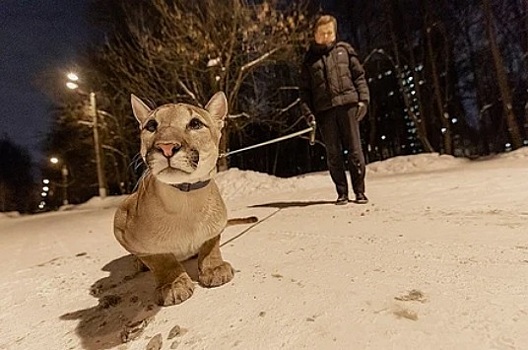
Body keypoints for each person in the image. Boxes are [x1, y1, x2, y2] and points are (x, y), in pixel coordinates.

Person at [300, 15, 370, 205]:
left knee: (355, 151)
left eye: (329, 32)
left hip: (348, 106)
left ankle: (359, 191)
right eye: (322, 33)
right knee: (333, 154)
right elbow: (305, 93)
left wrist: (363, 100)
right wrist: (309, 115)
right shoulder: (308, 61)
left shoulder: (344, 50)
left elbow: (359, 77)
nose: (326, 36)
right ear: (315, 35)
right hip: (325, 112)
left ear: (334, 32)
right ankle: (342, 193)